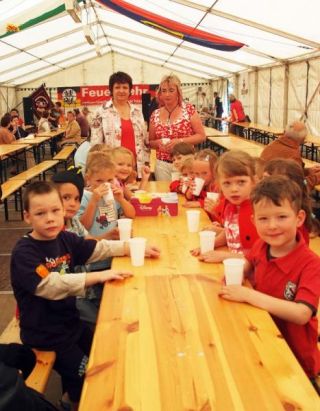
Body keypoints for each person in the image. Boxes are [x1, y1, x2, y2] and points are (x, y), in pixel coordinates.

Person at [10, 181, 134, 408]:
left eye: (55, 211)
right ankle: (72, 402)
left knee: (105, 351)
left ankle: (75, 391)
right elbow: (49, 285)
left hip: (70, 324)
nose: (50, 218)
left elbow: (96, 249)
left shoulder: (64, 238)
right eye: (41, 213)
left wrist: (129, 247)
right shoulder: (24, 252)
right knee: (88, 373)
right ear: (27, 217)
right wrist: (96, 277)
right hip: (46, 334)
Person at [219, 176, 320, 390]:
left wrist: (248, 295)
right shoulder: (262, 245)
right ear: (254, 220)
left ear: (299, 218)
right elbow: (250, 261)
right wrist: (238, 271)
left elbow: (302, 313)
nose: (272, 226)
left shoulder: (311, 264)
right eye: (263, 219)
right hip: (261, 338)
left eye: (282, 217)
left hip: (296, 360)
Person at [52, 167, 160, 326]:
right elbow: (53, 285)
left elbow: (91, 246)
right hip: (65, 304)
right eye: (65, 198)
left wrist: (127, 247)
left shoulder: (72, 223)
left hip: (84, 290)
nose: (72, 204)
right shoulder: (44, 241)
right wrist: (98, 276)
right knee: (109, 322)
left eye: (76, 199)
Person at [192, 150, 259, 262]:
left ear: (254, 181)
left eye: (241, 182)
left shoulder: (258, 212)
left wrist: (224, 256)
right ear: (219, 184)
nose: (234, 189)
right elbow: (230, 232)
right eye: (227, 183)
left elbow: (258, 256)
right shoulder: (229, 205)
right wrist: (209, 245)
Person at [90, 71, 149, 177]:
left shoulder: (137, 112)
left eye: (125, 87)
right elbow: (96, 145)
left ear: (130, 90)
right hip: (112, 170)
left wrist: (146, 164)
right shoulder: (100, 112)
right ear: (111, 90)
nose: (121, 91)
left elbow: (143, 141)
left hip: (136, 168)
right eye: (117, 87)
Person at [149, 73, 205, 180]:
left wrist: (180, 141)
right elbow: (151, 142)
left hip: (185, 163)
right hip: (162, 164)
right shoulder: (155, 114)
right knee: (165, 194)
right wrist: (159, 143)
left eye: (171, 90)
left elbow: (201, 136)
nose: (167, 95)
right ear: (159, 94)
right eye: (164, 91)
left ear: (178, 92)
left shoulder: (189, 110)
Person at [78, 152, 135, 237]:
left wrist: (121, 200)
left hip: (112, 244)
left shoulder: (114, 195)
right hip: (94, 245)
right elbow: (83, 227)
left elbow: (132, 214)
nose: (105, 184)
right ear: (88, 179)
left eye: (109, 180)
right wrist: (93, 201)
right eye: (99, 181)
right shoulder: (84, 196)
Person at [263, 158, 320, 242]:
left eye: (268, 180)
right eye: (263, 179)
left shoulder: (295, 219)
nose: (261, 184)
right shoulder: (271, 204)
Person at [260, 120, 320, 190]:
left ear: (284, 132)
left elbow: (286, 172)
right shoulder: (293, 156)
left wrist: (307, 171)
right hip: (278, 193)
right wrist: (316, 177)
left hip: (264, 188)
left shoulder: (271, 146)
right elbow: (300, 185)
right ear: (303, 140)